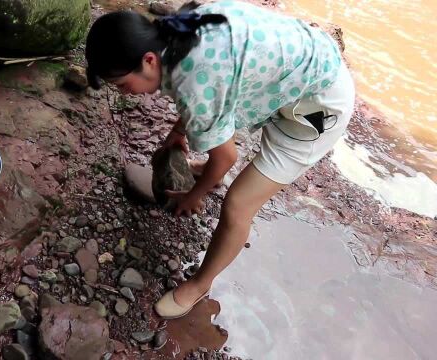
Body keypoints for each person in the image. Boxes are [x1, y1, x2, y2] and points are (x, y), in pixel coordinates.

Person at [85, 0, 355, 319]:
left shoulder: (195, 82)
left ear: (148, 60)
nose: (125, 93)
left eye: (122, 85)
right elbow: (213, 88)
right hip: (301, 76)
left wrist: (192, 196)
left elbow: (226, 154)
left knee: (237, 206)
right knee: (219, 139)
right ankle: (210, 176)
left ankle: (200, 285)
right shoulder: (181, 28)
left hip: (318, 112)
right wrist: (177, 133)